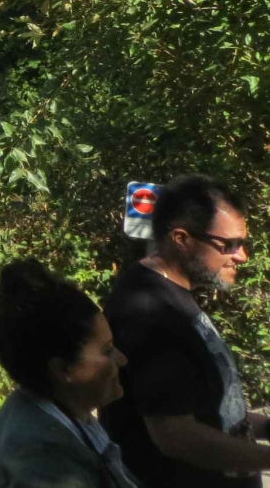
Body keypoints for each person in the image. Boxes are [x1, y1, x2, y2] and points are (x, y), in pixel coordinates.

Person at [101, 175, 270, 487]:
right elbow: (176, 435)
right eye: (229, 245)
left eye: (242, 243)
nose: (241, 256)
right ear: (182, 239)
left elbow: (208, 410)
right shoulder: (146, 311)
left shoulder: (173, 298)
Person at [0, 258, 140, 488]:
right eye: (107, 350)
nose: (121, 360)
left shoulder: (54, 417)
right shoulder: (42, 460)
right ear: (63, 369)